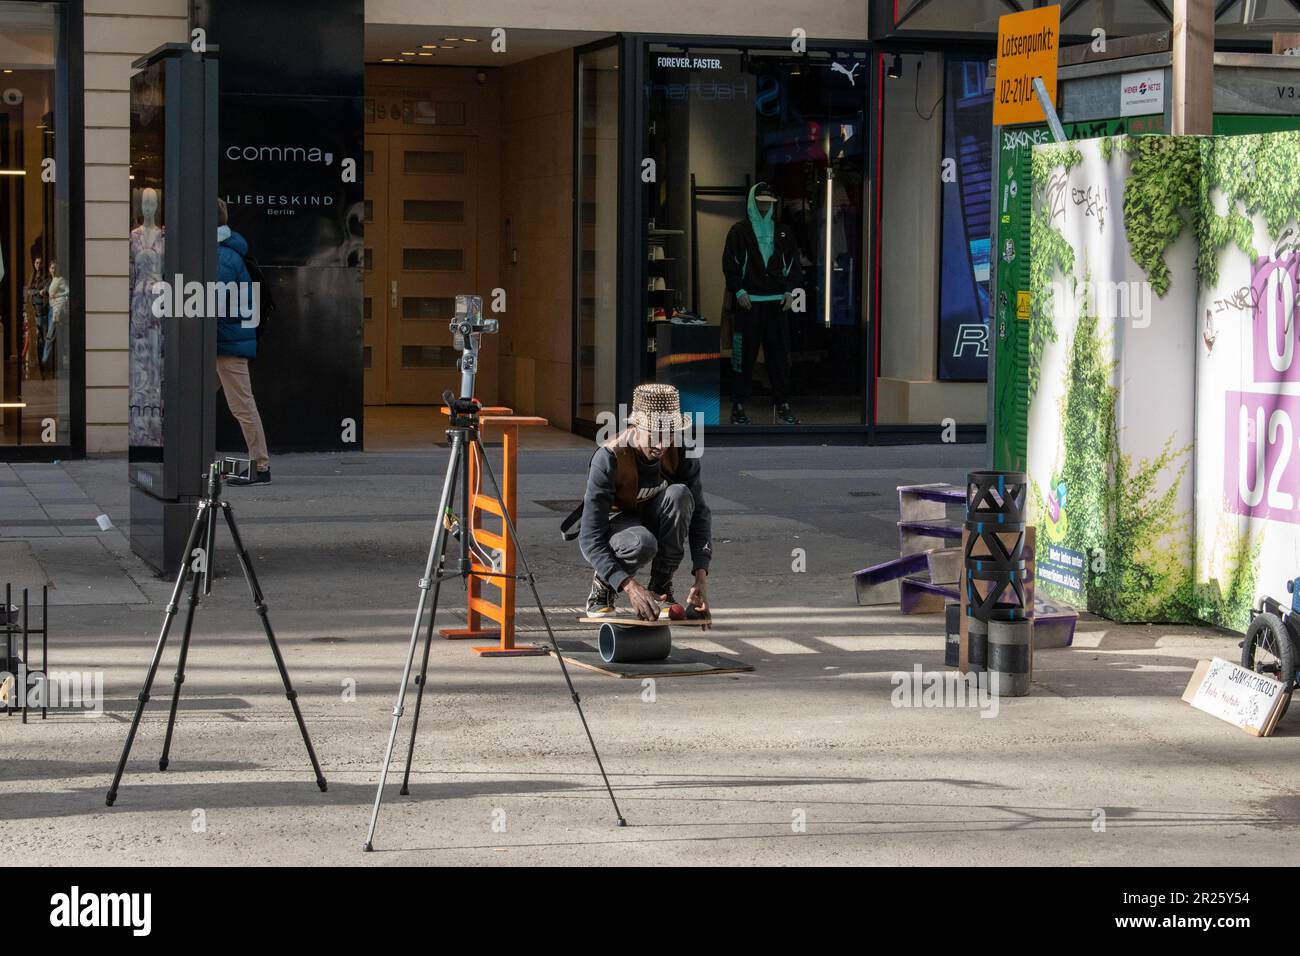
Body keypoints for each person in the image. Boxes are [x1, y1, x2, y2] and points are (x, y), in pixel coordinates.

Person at [576, 383, 712, 620]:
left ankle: (661, 585)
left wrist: (701, 576)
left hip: (652, 514)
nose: (661, 445)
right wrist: (629, 585)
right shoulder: (609, 457)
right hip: (618, 524)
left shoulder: (682, 450)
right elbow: (589, 537)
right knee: (643, 543)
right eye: (655, 436)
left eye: (668, 435)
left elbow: (699, 513)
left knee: (680, 495)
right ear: (636, 427)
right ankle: (604, 584)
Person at [722, 181, 803, 425]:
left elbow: (793, 265)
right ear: (752, 203)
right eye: (760, 203)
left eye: (768, 204)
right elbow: (730, 264)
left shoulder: (784, 231)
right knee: (743, 357)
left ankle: (782, 403)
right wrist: (739, 291)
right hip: (749, 305)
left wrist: (790, 291)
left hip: (776, 304)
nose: (764, 208)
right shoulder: (739, 231)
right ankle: (738, 406)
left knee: (779, 357)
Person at [216, 198, 271, 485]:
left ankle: (261, 466)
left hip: (228, 343)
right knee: (193, 401)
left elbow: (209, 298)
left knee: (242, 405)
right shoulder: (222, 251)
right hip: (218, 343)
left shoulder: (224, 256)